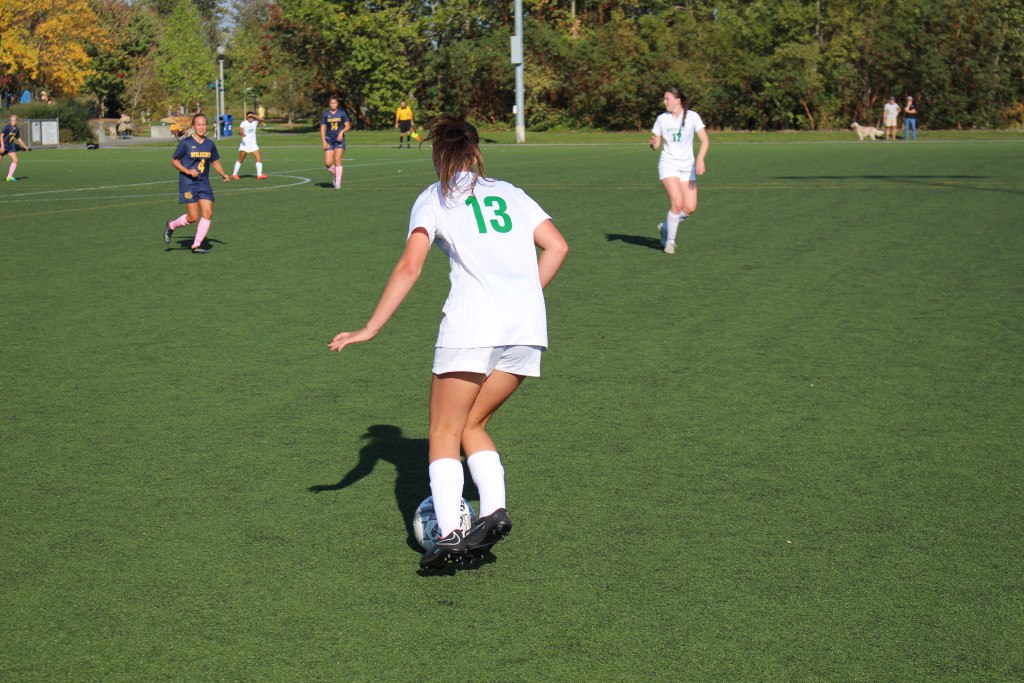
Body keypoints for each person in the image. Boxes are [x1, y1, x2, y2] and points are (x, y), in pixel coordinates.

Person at [327, 115, 569, 571]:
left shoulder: (434, 198)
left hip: (472, 328)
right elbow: (557, 246)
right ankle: (493, 511)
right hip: (527, 328)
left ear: (439, 154)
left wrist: (371, 327)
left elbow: (409, 267)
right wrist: (524, 298)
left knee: (442, 431)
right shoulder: (510, 193)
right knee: (472, 423)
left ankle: (452, 534)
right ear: (476, 152)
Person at [649, 87, 709, 255]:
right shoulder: (662, 119)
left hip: (687, 167)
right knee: (677, 203)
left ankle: (666, 227)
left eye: (667, 98)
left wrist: (700, 159)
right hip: (668, 165)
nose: (664, 102)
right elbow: (655, 146)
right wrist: (653, 143)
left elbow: (705, 140)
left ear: (677, 100)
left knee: (689, 207)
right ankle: (670, 242)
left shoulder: (693, 117)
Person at [163, 113, 230, 254]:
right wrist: (187, 171)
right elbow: (174, 161)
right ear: (194, 126)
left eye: (204, 124)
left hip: (203, 183)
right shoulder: (186, 143)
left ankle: (196, 245)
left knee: (208, 213)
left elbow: (215, 161)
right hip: (188, 183)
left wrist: (223, 173)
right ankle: (171, 225)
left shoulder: (209, 144)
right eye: (198, 124)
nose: (201, 127)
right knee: (193, 217)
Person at [320, 95, 351, 189]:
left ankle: (337, 182)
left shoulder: (342, 113)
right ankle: (336, 175)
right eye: (331, 103)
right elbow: (322, 128)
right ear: (329, 104)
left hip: (339, 140)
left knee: (337, 160)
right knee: (328, 163)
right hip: (329, 139)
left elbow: (348, 126)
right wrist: (323, 141)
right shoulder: (325, 114)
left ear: (337, 104)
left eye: (335, 103)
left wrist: (341, 132)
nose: (333, 105)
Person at [232, 111, 268, 180]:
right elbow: (240, 130)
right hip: (244, 145)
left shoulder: (255, 122)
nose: (250, 118)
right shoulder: (243, 123)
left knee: (259, 158)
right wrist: (242, 133)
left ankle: (259, 175)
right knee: (241, 159)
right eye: (249, 116)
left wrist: (254, 116)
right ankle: (234, 174)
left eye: (251, 117)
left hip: (253, 144)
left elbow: (262, 119)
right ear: (246, 117)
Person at [1, 114, 31, 182]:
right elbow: (1, 136)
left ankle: (9, 177)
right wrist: (2, 146)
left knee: (15, 160)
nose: (12, 122)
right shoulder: (7, 127)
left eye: (14, 120)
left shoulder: (16, 129)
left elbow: (18, 138)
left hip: (10, 147)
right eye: (11, 120)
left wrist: (25, 146)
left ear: (16, 121)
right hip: (2, 145)